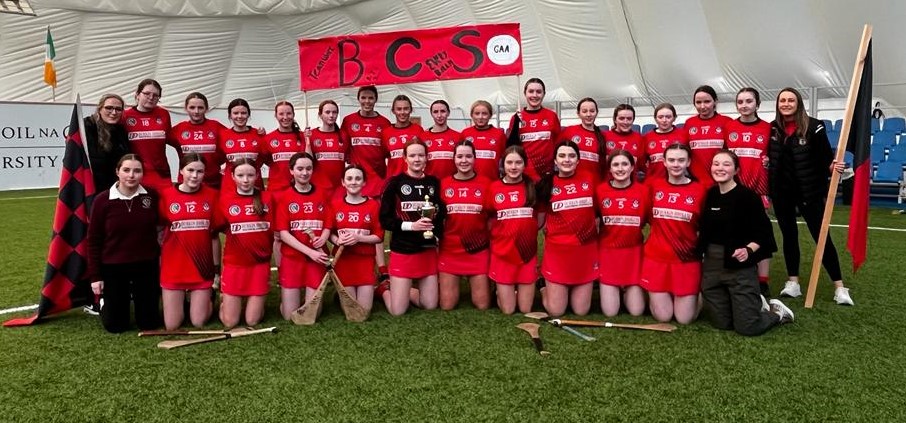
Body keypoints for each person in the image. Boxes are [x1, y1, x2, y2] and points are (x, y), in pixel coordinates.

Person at [768, 87, 853, 305]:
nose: (786, 104)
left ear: (798, 103)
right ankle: (793, 283)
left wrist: (834, 166)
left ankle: (839, 287)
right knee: (789, 237)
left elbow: (825, 160)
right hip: (782, 194)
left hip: (810, 193)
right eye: (782, 100)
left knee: (822, 237)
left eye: (791, 100)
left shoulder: (815, 126)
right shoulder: (772, 128)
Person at [699, 150, 794, 335]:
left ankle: (776, 313)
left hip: (738, 268)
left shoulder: (748, 197)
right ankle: (751, 303)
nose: (720, 168)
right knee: (722, 323)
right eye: (716, 164)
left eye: (726, 164)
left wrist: (748, 250)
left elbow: (764, 233)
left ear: (736, 170)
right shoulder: (711, 194)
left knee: (748, 327)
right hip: (712, 267)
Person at [87, 154, 162, 333]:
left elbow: (160, 229)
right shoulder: (102, 200)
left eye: (137, 171)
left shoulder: (151, 196)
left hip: (146, 264)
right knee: (116, 326)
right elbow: (94, 240)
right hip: (113, 266)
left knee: (149, 324)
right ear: (117, 172)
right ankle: (105, 303)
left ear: (143, 173)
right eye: (126, 170)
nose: (131, 175)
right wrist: (95, 277)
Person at [378, 140, 446, 316]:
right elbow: (385, 220)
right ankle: (384, 289)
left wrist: (436, 234)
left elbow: (440, 213)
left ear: (427, 158)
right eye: (412, 155)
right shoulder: (395, 183)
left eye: (421, 155)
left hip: (427, 250)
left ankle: (404, 291)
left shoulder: (434, 183)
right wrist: (411, 226)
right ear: (405, 158)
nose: (417, 159)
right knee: (398, 311)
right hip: (403, 249)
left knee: (429, 305)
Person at [641, 144, 707, 324]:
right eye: (671, 160)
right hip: (656, 258)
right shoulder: (653, 187)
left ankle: (697, 293)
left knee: (684, 319)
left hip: (686, 259)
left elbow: (703, 225)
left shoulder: (699, 190)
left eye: (681, 160)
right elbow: (646, 217)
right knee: (663, 316)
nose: (676, 164)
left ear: (688, 162)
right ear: (664, 162)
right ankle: (659, 293)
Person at [158, 153, 219, 329]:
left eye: (200, 171)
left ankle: (208, 296)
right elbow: (159, 232)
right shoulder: (166, 195)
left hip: (201, 269)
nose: (195, 175)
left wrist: (216, 271)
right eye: (190, 170)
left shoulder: (212, 195)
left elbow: (214, 236)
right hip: (174, 268)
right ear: (181, 171)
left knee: (198, 322)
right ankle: (183, 301)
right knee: (172, 325)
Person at [538, 141, 598, 317]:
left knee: (581, 311)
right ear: (555, 161)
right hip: (558, 253)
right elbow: (540, 222)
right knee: (556, 311)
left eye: (572, 156)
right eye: (562, 156)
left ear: (578, 160)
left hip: (584, 252)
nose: (567, 160)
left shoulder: (589, 178)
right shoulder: (547, 184)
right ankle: (541, 285)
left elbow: (598, 212)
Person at [213, 158, 274, 327]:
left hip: (259, 265)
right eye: (240, 175)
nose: (245, 180)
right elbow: (218, 229)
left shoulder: (268, 198)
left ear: (257, 176)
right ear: (232, 176)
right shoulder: (225, 200)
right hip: (235, 264)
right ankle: (225, 298)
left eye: (250, 175)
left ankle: (256, 301)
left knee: (252, 321)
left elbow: (276, 230)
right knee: (230, 322)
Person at [724, 88, 773, 296]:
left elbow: (774, 156)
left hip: (759, 191)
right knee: (735, 232)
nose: (744, 105)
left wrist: (770, 163)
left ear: (757, 104)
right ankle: (738, 272)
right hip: (734, 190)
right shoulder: (729, 127)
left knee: (762, 233)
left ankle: (763, 281)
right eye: (740, 102)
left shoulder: (768, 128)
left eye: (749, 101)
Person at [274, 153, 330, 320]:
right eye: (300, 169)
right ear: (291, 171)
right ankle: (290, 298)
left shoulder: (323, 194)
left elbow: (328, 224)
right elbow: (283, 234)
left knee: (311, 315)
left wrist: (324, 237)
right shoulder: (284, 197)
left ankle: (309, 297)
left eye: (308, 168)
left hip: (317, 259)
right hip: (293, 258)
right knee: (289, 316)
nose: (304, 173)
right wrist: (310, 252)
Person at [438, 141, 492, 310]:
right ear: (454, 159)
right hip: (450, 249)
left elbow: (491, 219)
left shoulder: (487, 184)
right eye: (460, 156)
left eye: (468, 156)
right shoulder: (443, 184)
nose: (464, 161)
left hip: (477, 250)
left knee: (482, 304)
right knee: (447, 305)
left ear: (475, 158)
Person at [486, 146, 539, 314]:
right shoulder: (494, 188)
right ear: (503, 165)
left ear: (525, 164)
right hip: (503, 253)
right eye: (509, 163)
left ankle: (539, 286)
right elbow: (489, 218)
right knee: (508, 310)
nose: (513, 167)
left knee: (525, 309)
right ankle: (499, 291)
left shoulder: (533, 187)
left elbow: (540, 219)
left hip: (526, 253)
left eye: (518, 162)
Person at [595, 150, 648, 317]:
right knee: (610, 312)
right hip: (608, 254)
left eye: (625, 164)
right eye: (615, 165)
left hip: (633, 255)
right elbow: (594, 221)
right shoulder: (600, 191)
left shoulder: (644, 191)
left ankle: (626, 290)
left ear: (632, 167)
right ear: (610, 169)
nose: (620, 168)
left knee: (636, 311)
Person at [326, 165, 384, 313]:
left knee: (364, 310)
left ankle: (377, 290)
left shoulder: (373, 205)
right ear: (343, 182)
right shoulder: (335, 205)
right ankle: (339, 294)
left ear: (364, 182)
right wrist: (337, 240)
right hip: (344, 261)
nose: (353, 182)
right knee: (352, 311)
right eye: (349, 178)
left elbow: (379, 236)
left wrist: (359, 238)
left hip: (365, 261)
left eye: (358, 179)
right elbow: (329, 232)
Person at [122, 79, 176, 191]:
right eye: (147, 93)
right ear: (137, 95)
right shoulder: (125, 116)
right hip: (135, 174)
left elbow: (173, 139)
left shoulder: (163, 114)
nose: (151, 97)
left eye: (155, 95)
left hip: (161, 172)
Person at [341, 85, 392, 199]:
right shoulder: (348, 121)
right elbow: (343, 146)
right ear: (358, 99)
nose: (367, 101)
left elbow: (388, 152)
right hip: (357, 177)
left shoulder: (384, 123)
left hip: (378, 177)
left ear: (376, 99)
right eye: (363, 98)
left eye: (371, 98)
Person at [507, 78, 561, 181]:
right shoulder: (516, 118)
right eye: (531, 91)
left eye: (539, 92)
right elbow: (511, 147)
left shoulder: (552, 116)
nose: (535, 95)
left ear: (544, 94)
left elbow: (558, 144)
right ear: (525, 93)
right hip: (523, 175)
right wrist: (516, 124)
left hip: (546, 174)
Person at [169, 92, 226, 189]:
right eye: (192, 107)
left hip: (213, 183)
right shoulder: (179, 129)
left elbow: (234, 140)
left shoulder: (216, 127)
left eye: (200, 107)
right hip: (187, 183)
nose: (196, 111)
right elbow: (156, 144)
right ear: (186, 108)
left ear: (207, 109)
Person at [685, 85, 731, 184]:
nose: (702, 106)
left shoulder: (727, 122)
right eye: (698, 102)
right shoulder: (689, 123)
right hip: (696, 181)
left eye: (707, 101)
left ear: (715, 101)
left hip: (721, 181)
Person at [85, 94, 130, 191]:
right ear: (100, 109)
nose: (114, 112)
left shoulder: (121, 131)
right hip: (91, 187)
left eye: (118, 109)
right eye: (109, 108)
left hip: (116, 187)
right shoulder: (87, 126)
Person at [220, 98, 265, 193]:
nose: (240, 116)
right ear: (230, 115)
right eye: (235, 113)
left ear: (248, 114)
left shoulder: (259, 134)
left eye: (243, 113)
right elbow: (216, 158)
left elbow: (263, 159)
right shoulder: (222, 135)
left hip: (255, 185)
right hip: (230, 187)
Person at [558, 97, 606, 182]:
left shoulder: (603, 136)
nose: (588, 114)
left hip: (595, 183)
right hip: (572, 182)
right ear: (578, 113)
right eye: (584, 111)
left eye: (592, 111)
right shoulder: (569, 131)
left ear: (596, 113)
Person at [263, 101, 306, 193]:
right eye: (281, 114)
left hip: (300, 189)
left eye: (289, 113)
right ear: (276, 115)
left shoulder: (304, 137)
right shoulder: (268, 138)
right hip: (277, 189)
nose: (285, 117)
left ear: (294, 114)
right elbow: (266, 160)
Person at [460, 100, 507, 181]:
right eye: (477, 113)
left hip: (492, 181)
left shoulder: (499, 134)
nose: (480, 117)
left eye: (484, 113)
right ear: (471, 115)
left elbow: (506, 157)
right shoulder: (465, 133)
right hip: (468, 182)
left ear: (490, 115)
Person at [309, 100, 347, 198]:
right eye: (327, 112)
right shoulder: (311, 135)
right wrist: (308, 142)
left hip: (339, 188)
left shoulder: (344, 136)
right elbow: (307, 161)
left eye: (334, 112)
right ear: (320, 115)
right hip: (318, 187)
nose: (331, 115)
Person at [383, 95, 426, 180]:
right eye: (399, 109)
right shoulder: (386, 133)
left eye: (406, 109)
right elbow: (383, 157)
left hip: (414, 180)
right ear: (393, 111)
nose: (402, 112)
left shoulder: (418, 130)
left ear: (411, 110)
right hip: (394, 181)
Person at [642, 103, 688, 181]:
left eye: (668, 117)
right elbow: (642, 163)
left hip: (677, 182)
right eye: (660, 117)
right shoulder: (647, 138)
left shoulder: (683, 135)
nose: (664, 120)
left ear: (674, 118)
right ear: (655, 119)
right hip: (654, 182)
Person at [424, 99, 460, 179]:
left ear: (448, 113)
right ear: (431, 114)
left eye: (443, 111)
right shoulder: (423, 137)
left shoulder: (458, 136)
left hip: (452, 182)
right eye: (435, 112)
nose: (439, 115)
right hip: (430, 182)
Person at [604, 104, 645, 174]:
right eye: (621, 118)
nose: (625, 122)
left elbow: (642, 165)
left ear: (633, 120)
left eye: (629, 119)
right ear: (615, 119)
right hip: (609, 180)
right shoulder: (604, 136)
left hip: (632, 180)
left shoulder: (639, 138)